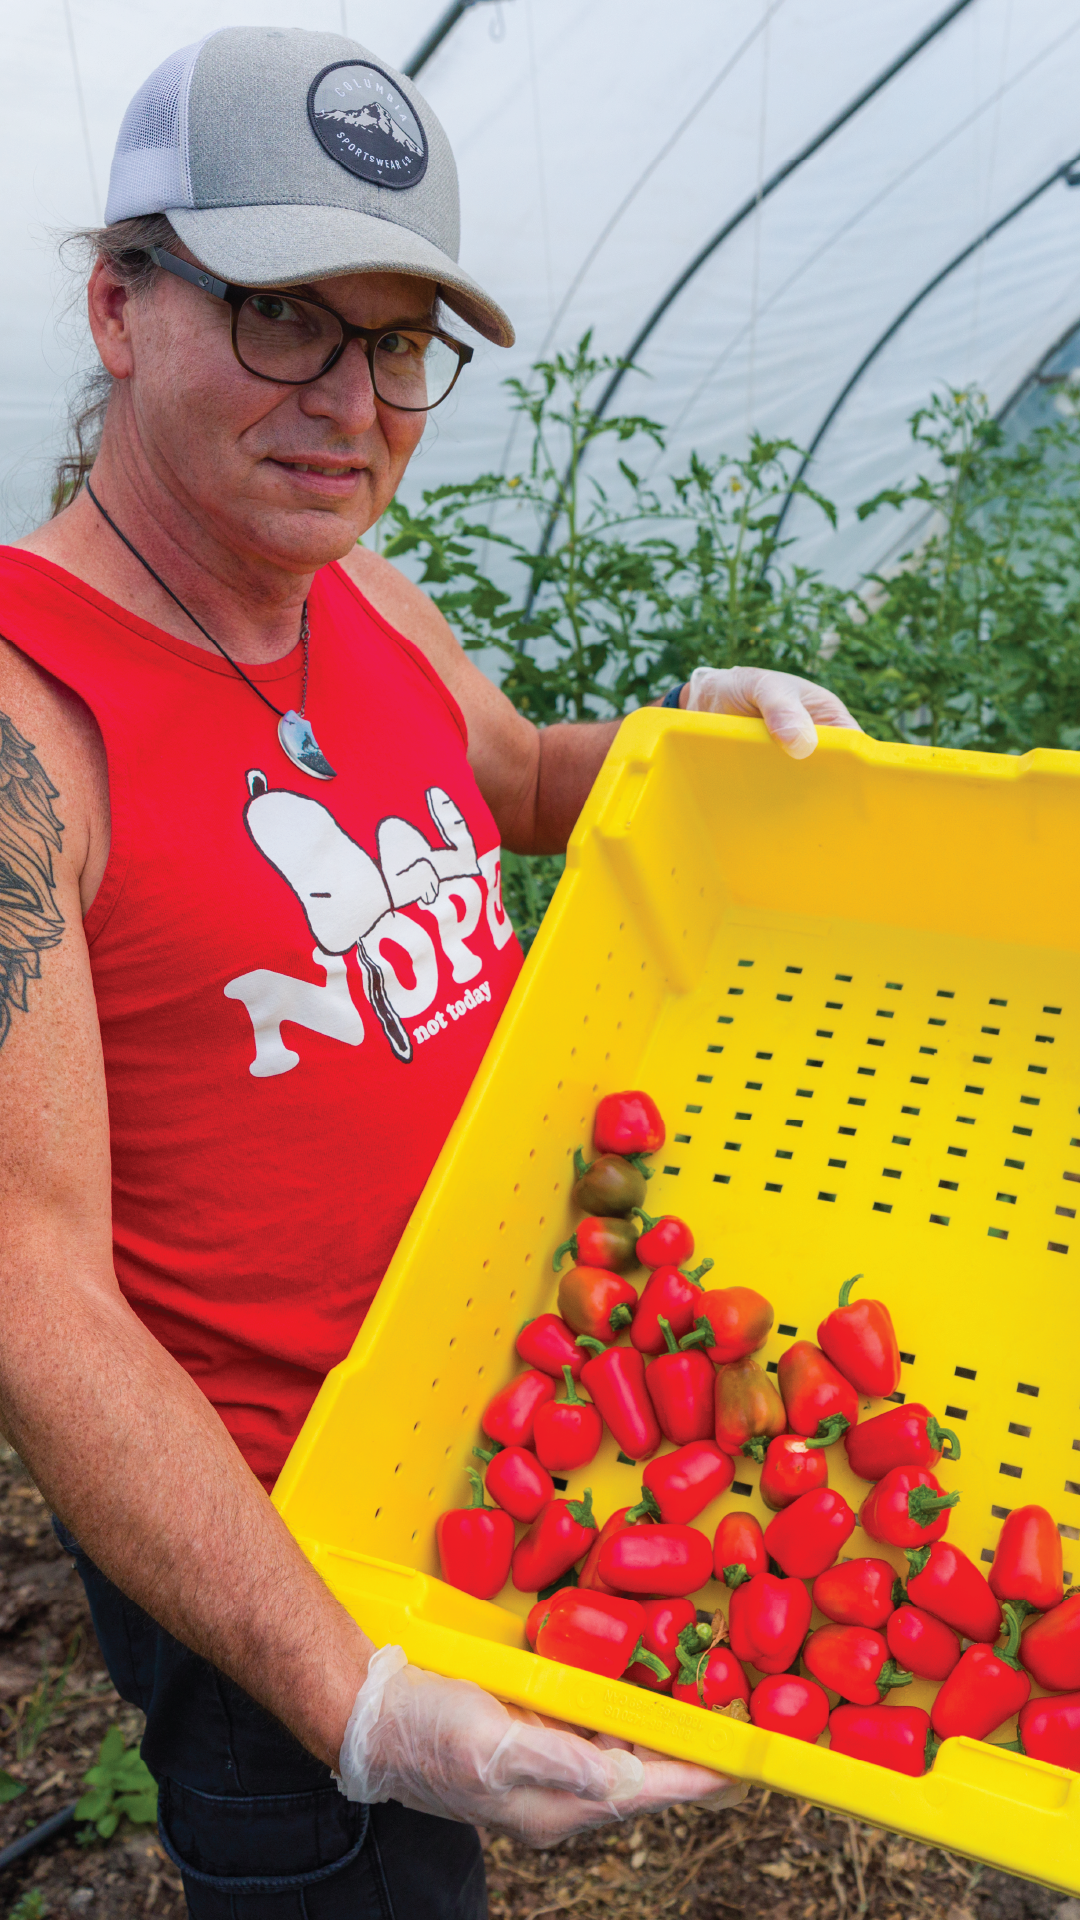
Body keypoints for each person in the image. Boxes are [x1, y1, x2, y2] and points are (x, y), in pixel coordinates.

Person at [0, 26, 859, 1917]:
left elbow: (516, 774)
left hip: (488, 1407)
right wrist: (350, 1696)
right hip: (274, 1538)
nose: (353, 402)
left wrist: (675, 740)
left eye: (400, 346)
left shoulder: (358, 592)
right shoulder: (27, 729)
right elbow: (30, 1292)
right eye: (287, 313)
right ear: (120, 306)